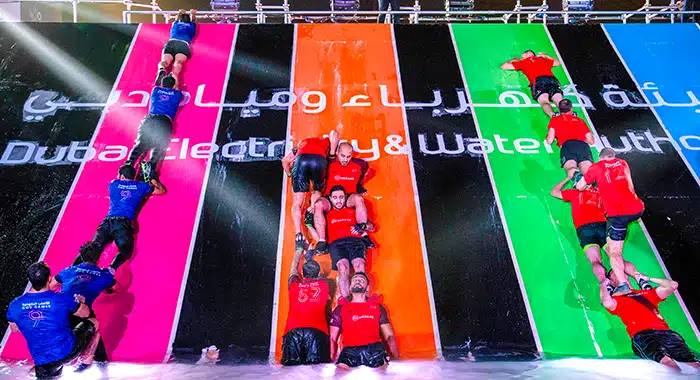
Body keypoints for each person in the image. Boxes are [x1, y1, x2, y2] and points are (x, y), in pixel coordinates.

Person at [551, 175, 651, 291]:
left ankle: (605, 282)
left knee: (595, 261)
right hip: (603, 226)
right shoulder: (601, 194)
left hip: (584, 229)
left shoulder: (574, 193)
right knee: (616, 257)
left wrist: (568, 178)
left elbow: (553, 192)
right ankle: (638, 277)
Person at [6, 262, 97, 379]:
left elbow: (14, 329)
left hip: (41, 360)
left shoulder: (14, 305)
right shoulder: (62, 298)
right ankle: (86, 360)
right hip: (67, 351)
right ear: (49, 278)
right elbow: (86, 313)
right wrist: (81, 302)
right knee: (94, 322)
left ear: (29, 279)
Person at [576, 148, 645, 296]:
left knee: (614, 252)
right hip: (637, 208)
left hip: (618, 215)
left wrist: (590, 183)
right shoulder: (622, 163)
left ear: (600, 158)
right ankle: (640, 278)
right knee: (616, 244)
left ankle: (622, 285)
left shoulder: (596, 166)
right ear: (612, 156)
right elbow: (625, 184)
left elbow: (580, 186)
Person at [600, 271, 700, 372]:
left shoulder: (644, 293)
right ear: (612, 282)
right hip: (643, 336)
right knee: (668, 364)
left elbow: (673, 285)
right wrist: (603, 285)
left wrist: (649, 279)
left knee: (694, 364)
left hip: (667, 333)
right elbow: (606, 302)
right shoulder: (615, 299)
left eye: (622, 273)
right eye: (616, 275)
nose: (621, 275)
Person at [81, 165, 165, 272]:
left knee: (92, 249)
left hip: (107, 222)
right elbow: (161, 190)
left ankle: (75, 270)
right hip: (122, 224)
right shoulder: (141, 186)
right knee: (126, 250)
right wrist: (152, 178)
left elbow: (121, 184)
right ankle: (111, 270)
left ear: (122, 176)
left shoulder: (113, 184)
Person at [56, 242, 116, 370]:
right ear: (99, 257)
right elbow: (118, 288)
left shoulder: (68, 270)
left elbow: (51, 286)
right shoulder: (104, 275)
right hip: (80, 312)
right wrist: (107, 284)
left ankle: (88, 360)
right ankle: (97, 362)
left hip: (59, 312)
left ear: (81, 256)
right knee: (94, 326)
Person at [281, 130, 340, 250]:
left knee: (297, 202)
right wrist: (332, 153)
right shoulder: (326, 141)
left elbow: (284, 161)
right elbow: (334, 133)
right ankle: (312, 210)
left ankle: (298, 233)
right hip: (318, 160)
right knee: (316, 191)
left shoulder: (302, 144)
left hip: (302, 160)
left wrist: (289, 173)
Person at [329, 272, 398, 368]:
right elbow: (332, 338)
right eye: (354, 279)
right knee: (338, 373)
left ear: (368, 288)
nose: (357, 280)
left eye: (361, 280)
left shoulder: (377, 307)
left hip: (374, 350)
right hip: (349, 352)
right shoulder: (340, 309)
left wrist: (397, 359)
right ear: (350, 287)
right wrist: (331, 359)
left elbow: (389, 336)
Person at [313, 142, 373, 253]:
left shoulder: (361, 165)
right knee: (318, 204)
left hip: (348, 197)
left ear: (352, 155)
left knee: (359, 199)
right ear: (337, 153)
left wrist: (359, 186)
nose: (345, 159)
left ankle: (363, 234)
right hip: (331, 198)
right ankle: (322, 241)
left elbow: (362, 174)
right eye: (342, 156)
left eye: (348, 156)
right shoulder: (329, 164)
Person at [316, 185, 374, 298]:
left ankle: (362, 298)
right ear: (331, 199)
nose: (339, 200)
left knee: (360, 266)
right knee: (343, 268)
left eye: (341, 197)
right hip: (336, 243)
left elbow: (371, 227)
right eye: (335, 197)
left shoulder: (354, 211)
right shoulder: (326, 213)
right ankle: (346, 301)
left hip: (355, 241)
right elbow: (317, 223)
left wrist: (362, 226)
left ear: (345, 197)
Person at [125, 74, 182, 181]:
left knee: (140, 143)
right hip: (164, 121)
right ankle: (150, 167)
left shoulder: (155, 90)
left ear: (162, 84)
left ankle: (129, 164)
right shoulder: (177, 94)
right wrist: (175, 79)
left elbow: (159, 82)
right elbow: (177, 87)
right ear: (174, 85)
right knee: (159, 146)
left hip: (149, 120)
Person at [281, 249, 331, 365]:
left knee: (290, 371)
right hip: (317, 331)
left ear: (302, 274)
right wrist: (310, 258)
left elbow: (293, 269)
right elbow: (318, 276)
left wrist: (299, 250)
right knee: (316, 371)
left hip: (293, 331)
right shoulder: (323, 285)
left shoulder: (294, 285)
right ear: (318, 274)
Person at [501, 50, 563, 117]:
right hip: (552, 80)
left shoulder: (523, 62)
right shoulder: (543, 59)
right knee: (558, 100)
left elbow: (504, 66)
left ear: (526, 54)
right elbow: (557, 63)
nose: (522, 56)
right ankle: (567, 115)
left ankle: (553, 116)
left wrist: (513, 60)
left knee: (544, 101)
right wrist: (546, 56)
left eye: (523, 54)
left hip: (538, 81)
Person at [545, 99, 595, 180]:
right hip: (583, 146)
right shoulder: (580, 121)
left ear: (559, 109)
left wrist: (549, 137)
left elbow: (549, 140)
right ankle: (592, 186)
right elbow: (591, 141)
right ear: (571, 109)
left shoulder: (555, 120)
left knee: (571, 168)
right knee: (587, 171)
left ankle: (578, 179)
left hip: (567, 146)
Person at [158, 9, 197, 84]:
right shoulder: (191, 25)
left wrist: (180, 12)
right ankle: (174, 76)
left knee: (164, 62)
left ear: (180, 20)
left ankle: (161, 69)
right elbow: (194, 20)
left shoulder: (175, 24)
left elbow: (176, 18)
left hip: (171, 43)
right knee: (178, 62)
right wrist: (193, 14)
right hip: (183, 45)